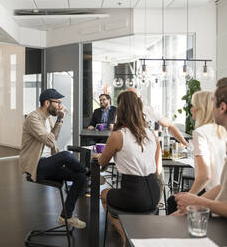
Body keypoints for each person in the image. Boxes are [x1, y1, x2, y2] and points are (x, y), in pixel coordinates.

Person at [93, 91, 161, 247]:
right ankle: (134, 234)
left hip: (134, 195)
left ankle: (126, 237)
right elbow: (157, 169)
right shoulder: (152, 134)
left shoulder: (118, 135)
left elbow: (102, 163)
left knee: (104, 194)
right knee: (127, 199)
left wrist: (97, 157)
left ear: (121, 110)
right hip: (154, 193)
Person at [19, 88, 87, 229]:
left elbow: (53, 138)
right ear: (47, 102)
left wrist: (58, 120)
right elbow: (49, 140)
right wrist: (60, 119)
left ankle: (65, 216)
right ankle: (88, 172)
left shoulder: (48, 118)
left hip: (47, 163)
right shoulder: (33, 118)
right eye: (58, 102)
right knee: (66, 155)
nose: (60, 105)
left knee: (80, 177)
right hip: (36, 166)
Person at [174, 78, 227, 217]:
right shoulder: (222, 132)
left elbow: (205, 175)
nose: (191, 109)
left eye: (193, 105)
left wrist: (190, 199)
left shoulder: (200, 133)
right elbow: (221, 185)